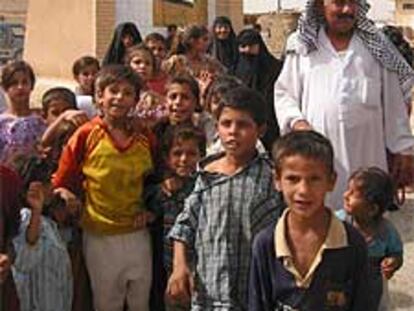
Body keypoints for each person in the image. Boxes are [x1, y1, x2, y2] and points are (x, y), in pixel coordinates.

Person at [274, 0, 414, 210]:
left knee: (366, 225)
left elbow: (394, 102)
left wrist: (404, 149)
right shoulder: (302, 45)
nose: (347, 10)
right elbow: (284, 94)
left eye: (352, 3)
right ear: (320, 6)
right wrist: (298, 123)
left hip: (367, 156)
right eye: (339, 3)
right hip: (317, 159)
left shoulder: (376, 45)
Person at [166, 86, 282, 310]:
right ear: (217, 128)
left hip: (255, 293)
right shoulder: (207, 175)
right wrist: (179, 267)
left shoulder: (271, 177)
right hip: (209, 291)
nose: (233, 131)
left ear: (261, 130)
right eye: (226, 124)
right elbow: (185, 225)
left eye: (243, 125)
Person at [52, 65, 155, 311]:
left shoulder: (145, 136)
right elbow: (60, 182)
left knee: (141, 300)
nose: (119, 97)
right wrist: (67, 195)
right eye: (113, 91)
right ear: (99, 96)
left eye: (127, 93)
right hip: (99, 233)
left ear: (135, 100)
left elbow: (156, 180)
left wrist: (151, 210)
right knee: (107, 302)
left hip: (137, 232)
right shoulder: (85, 135)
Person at [249, 130, 371, 311]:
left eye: (314, 179)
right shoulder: (266, 244)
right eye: (293, 179)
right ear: (277, 180)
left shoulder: (352, 244)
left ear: (331, 181)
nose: (303, 190)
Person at [147, 124, 206, 311]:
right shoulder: (162, 189)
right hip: (170, 267)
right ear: (166, 158)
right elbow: (151, 212)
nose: (184, 159)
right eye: (177, 153)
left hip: (201, 267)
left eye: (191, 153)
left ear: (201, 156)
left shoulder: (205, 186)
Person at [342, 167, 403, 310]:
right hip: (343, 285)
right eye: (347, 189)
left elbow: (397, 254)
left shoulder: (386, 232)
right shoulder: (339, 222)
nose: (345, 195)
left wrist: (393, 262)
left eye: (353, 194)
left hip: (372, 291)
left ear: (372, 209)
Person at [12, 179, 73, 311]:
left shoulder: (48, 221)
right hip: (40, 300)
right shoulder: (27, 217)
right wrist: (36, 210)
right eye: (47, 184)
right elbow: (26, 254)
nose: (52, 187)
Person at [234, 29, 283, 151]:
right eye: (243, 46)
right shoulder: (235, 69)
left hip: (271, 122)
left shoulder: (275, 68)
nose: (247, 50)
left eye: (251, 46)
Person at [0, 61, 46, 168]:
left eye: (24, 82)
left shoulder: (40, 121)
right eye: (14, 83)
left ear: (32, 85)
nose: (20, 87)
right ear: (5, 88)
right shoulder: (2, 122)